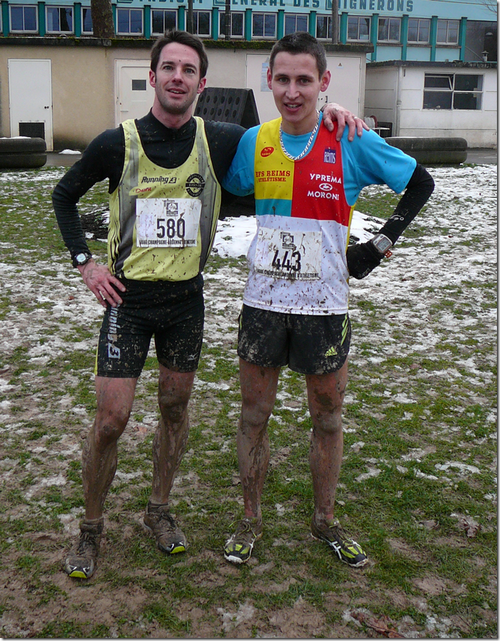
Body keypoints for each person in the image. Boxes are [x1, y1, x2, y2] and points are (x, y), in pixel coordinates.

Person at [52, 29, 365, 580]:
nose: (177, 77)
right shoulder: (113, 142)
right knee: (111, 418)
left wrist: (329, 112)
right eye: (168, 68)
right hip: (128, 300)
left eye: (188, 69)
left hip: (185, 302)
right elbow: (63, 193)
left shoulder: (220, 138)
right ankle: (90, 530)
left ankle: (159, 510)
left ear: (202, 81)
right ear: (152, 78)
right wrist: (86, 263)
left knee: (175, 409)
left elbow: (286, 131)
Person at [222, 32, 435, 568]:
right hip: (264, 303)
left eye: (305, 80)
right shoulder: (255, 141)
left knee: (328, 419)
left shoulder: (351, 139)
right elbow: (224, 185)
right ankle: (249, 520)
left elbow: (421, 182)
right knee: (254, 415)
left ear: (324, 82)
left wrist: (380, 244)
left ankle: (325, 520)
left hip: (325, 307)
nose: (293, 92)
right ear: (268, 81)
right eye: (283, 79)